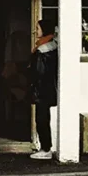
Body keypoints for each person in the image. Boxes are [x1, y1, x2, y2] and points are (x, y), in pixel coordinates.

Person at [30, 17, 58, 160]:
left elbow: (38, 72)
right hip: (48, 87)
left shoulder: (42, 49)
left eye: (38, 28)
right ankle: (45, 147)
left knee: (41, 119)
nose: (36, 31)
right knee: (43, 118)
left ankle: (46, 148)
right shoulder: (53, 46)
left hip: (42, 89)